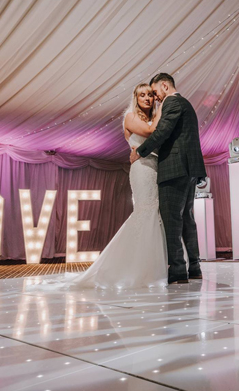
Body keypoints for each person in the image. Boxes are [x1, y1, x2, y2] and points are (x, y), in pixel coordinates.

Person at [71, 83, 168, 289]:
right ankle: (130, 266)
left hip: (156, 168)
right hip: (142, 169)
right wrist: (162, 107)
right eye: (143, 95)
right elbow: (151, 131)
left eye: (150, 95)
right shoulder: (130, 116)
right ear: (136, 97)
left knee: (156, 213)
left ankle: (151, 263)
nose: (148, 99)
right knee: (145, 211)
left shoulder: (151, 118)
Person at [130, 73, 207, 284]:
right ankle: (195, 266)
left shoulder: (172, 102)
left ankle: (178, 269)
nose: (155, 98)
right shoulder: (186, 104)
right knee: (187, 220)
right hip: (189, 169)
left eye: (155, 92)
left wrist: (140, 151)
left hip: (175, 168)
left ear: (165, 86)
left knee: (172, 219)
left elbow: (162, 132)